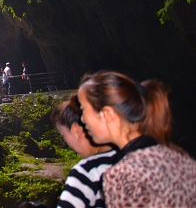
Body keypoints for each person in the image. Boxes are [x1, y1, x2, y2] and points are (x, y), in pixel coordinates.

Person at [78, 70, 196, 207]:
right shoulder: (180, 158)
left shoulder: (123, 175)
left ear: (107, 114)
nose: (82, 119)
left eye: (84, 109)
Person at [50, 95, 116, 207]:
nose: (66, 142)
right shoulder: (131, 157)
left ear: (76, 131)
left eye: (63, 135)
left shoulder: (87, 172)